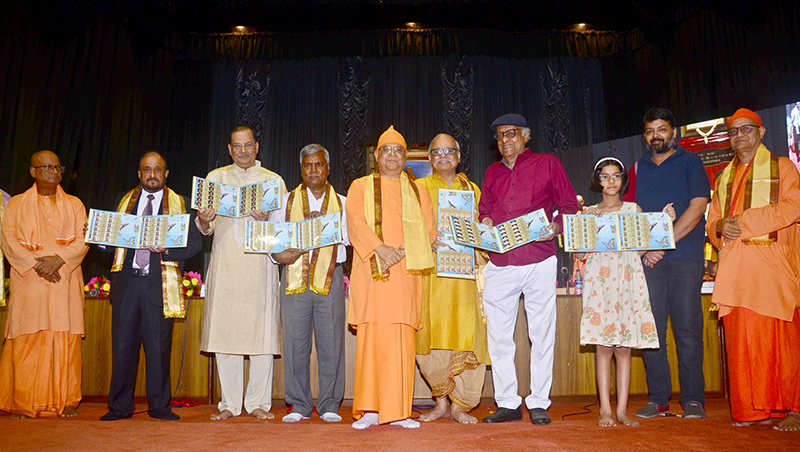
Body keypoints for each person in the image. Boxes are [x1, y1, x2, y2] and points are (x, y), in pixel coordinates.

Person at [479, 114, 580, 425]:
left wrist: (555, 226)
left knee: (541, 333)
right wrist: (484, 222)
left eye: (511, 133)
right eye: (499, 136)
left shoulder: (548, 163)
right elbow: (485, 208)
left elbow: (569, 206)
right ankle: (507, 402)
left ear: (526, 136)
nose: (505, 140)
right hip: (500, 262)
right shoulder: (491, 172)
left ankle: (538, 401)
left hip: (539, 258)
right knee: (498, 337)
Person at [706, 108, 800, 431]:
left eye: (747, 130)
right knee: (740, 343)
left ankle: (794, 409)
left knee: (783, 342)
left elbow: (793, 206)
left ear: (760, 133)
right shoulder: (723, 178)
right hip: (735, 272)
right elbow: (711, 222)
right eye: (734, 132)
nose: (740, 135)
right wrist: (720, 226)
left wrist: (742, 224)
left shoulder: (783, 168)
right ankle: (749, 411)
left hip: (773, 268)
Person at [100, 152, 202, 421]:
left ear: (166, 173)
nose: (152, 174)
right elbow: (111, 242)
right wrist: (97, 236)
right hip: (128, 283)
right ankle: (120, 406)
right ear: (139, 173)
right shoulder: (123, 202)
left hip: (159, 284)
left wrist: (167, 250)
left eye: (158, 170)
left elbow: (195, 245)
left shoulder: (182, 204)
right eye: (147, 169)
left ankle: (159, 405)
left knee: (158, 348)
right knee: (123, 347)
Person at [346, 125, 436, 429]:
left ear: (406, 157)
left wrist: (400, 251)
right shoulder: (359, 186)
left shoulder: (417, 188)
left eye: (399, 150)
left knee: (400, 340)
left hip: (405, 273)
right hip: (372, 272)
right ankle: (370, 409)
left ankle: (398, 411)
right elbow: (356, 223)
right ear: (376, 155)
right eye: (387, 150)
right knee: (371, 338)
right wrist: (381, 249)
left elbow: (428, 230)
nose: (393, 156)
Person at [197, 126, 287, 421]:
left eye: (248, 145)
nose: (244, 150)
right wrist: (203, 219)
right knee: (227, 336)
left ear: (257, 147)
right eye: (238, 146)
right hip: (226, 265)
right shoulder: (215, 178)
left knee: (261, 338)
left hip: (260, 267)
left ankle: (258, 403)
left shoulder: (273, 181)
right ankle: (230, 404)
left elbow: (283, 232)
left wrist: (266, 219)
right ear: (229, 149)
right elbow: (206, 230)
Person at [577, 157, 673, 427]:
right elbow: (580, 253)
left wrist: (663, 223)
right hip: (600, 282)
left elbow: (642, 250)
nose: (610, 181)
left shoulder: (634, 209)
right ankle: (604, 410)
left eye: (615, 175)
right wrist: (587, 223)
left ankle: (621, 410)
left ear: (622, 179)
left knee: (624, 347)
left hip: (628, 280)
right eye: (605, 176)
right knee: (604, 346)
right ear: (598, 180)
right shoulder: (588, 212)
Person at [633, 108, 710, 420]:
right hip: (648, 261)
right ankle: (658, 398)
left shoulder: (691, 161)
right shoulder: (639, 167)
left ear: (674, 132)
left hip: (684, 257)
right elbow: (632, 212)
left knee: (688, 330)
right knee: (652, 332)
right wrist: (644, 250)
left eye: (662, 129)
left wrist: (663, 246)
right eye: (651, 131)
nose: (656, 136)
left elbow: (698, 207)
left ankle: (693, 400)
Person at [0, 151, 88, 418]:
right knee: (27, 337)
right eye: (46, 167)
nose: (53, 171)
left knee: (66, 338)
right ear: (32, 172)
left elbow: (85, 239)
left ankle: (68, 399)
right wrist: (38, 264)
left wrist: (59, 259)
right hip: (29, 281)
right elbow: (8, 240)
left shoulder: (75, 204)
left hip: (65, 280)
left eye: (57, 167)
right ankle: (20, 400)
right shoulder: (15, 204)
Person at [271, 144, 348, 423]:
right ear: (301, 169)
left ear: (328, 168)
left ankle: (329, 404)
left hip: (330, 278)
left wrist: (329, 230)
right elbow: (273, 244)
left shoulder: (344, 202)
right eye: (307, 165)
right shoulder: (284, 201)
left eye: (318, 165)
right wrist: (280, 254)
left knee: (331, 344)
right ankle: (299, 405)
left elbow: (353, 241)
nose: (313, 170)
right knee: (294, 344)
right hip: (293, 279)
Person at [415, 133, 488, 424]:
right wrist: (427, 240)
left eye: (449, 151)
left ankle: (460, 406)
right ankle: (441, 403)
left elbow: (482, 229)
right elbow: (407, 230)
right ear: (429, 158)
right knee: (432, 337)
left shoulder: (473, 190)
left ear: (458, 156)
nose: (443, 156)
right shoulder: (417, 189)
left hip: (464, 277)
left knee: (466, 336)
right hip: (432, 276)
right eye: (437, 152)